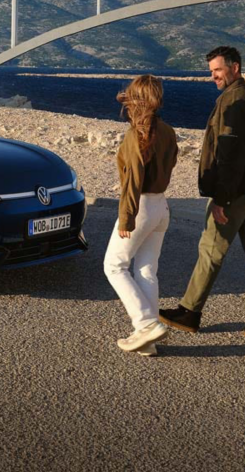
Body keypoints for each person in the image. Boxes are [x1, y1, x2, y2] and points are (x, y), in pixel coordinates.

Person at [159, 46, 245, 345]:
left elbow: (230, 154)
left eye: (217, 71)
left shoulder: (237, 100)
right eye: (211, 71)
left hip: (237, 191)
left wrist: (221, 197)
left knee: (211, 248)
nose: (213, 76)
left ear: (235, 68)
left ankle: (189, 313)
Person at [104, 75, 178, 356]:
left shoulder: (136, 135)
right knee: (146, 270)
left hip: (141, 207)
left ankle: (146, 323)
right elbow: (170, 164)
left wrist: (127, 217)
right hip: (161, 206)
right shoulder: (168, 131)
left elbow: (133, 179)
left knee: (114, 266)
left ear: (136, 100)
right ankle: (147, 340)